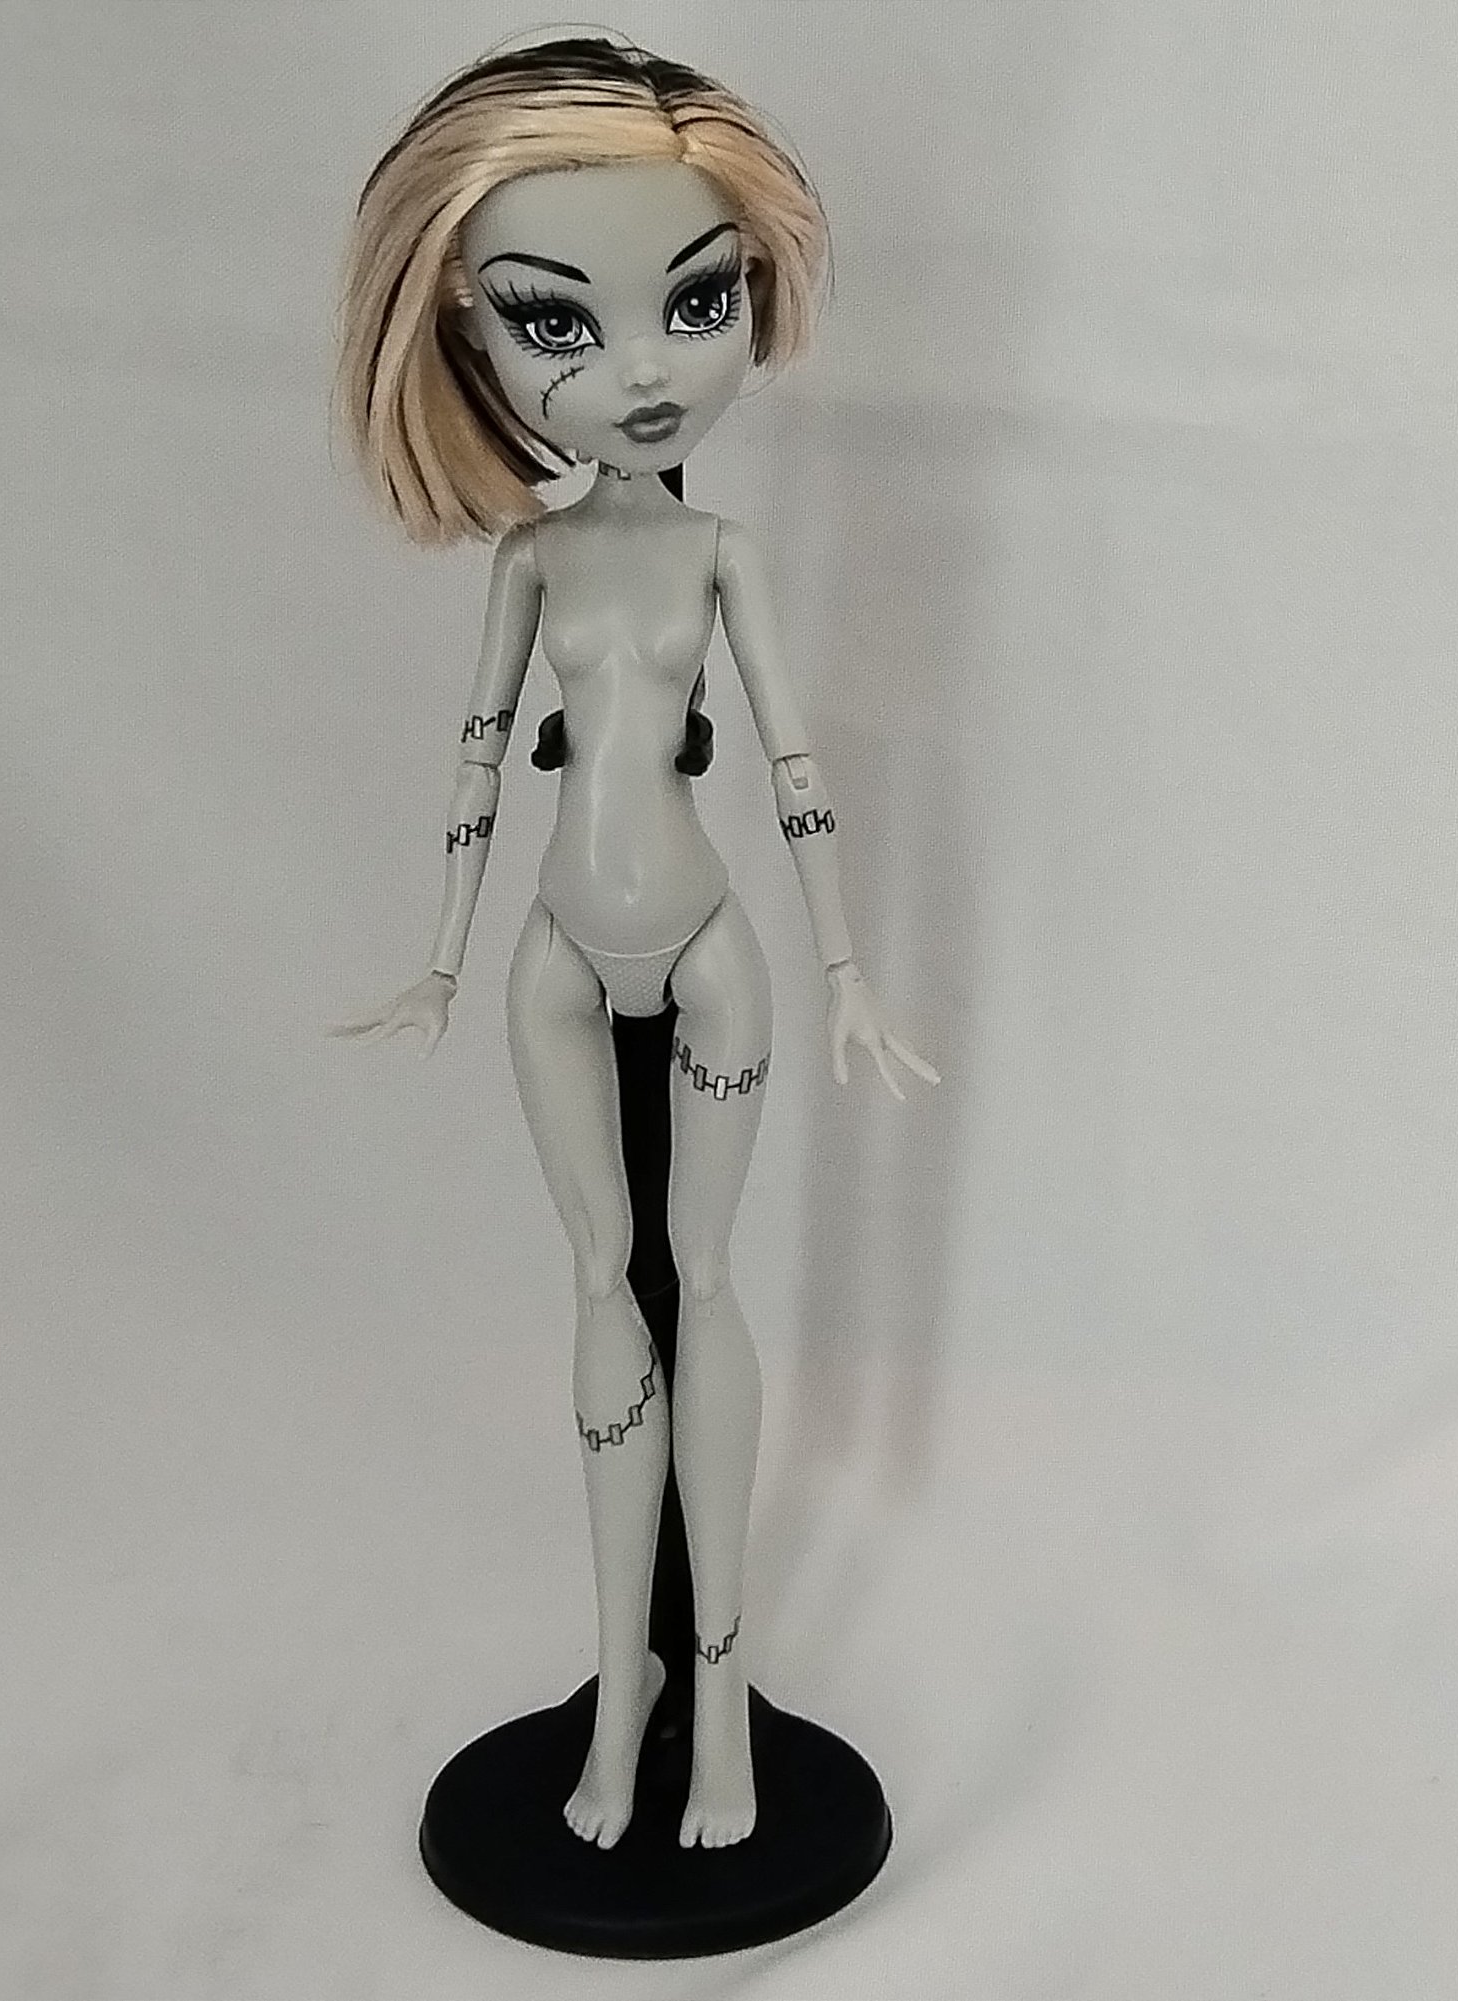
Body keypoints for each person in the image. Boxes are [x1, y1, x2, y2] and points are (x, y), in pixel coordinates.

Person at [331, 33, 936, 1853]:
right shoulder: (530, 559)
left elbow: (797, 764)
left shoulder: (718, 551)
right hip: (551, 957)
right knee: (606, 1281)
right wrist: (443, 956)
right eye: (559, 322)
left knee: (704, 1272)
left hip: (709, 948)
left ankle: (721, 1700)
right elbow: (474, 758)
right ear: (463, 323)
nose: (648, 371)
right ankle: (627, 1686)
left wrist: (846, 970)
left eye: (698, 300)